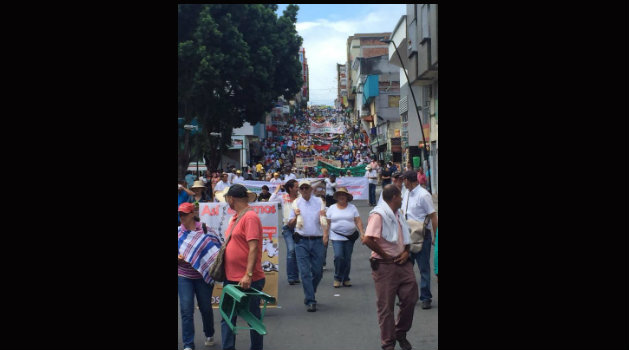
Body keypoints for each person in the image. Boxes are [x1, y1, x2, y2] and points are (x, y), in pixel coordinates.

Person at [363, 185, 417, 350]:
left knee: (411, 298)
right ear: (394, 197)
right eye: (400, 196)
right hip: (385, 265)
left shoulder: (397, 214)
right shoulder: (379, 215)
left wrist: (406, 252)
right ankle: (388, 343)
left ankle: (399, 332)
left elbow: (405, 237)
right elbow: (367, 239)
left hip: (402, 262)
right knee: (386, 307)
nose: (402, 199)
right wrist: (386, 256)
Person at [221, 184, 266, 350]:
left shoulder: (250, 217)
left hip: (247, 279)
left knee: (252, 317)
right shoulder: (237, 217)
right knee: (227, 316)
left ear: (231, 199)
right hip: (231, 277)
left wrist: (248, 274)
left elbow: (253, 247)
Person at [178, 202, 222, 350]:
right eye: (180, 214)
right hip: (184, 275)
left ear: (192, 214)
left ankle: (209, 333)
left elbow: (217, 249)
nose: (182, 217)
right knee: (186, 309)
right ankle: (188, 344)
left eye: (185, 213)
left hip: (203, 276)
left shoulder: (205, 229)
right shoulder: (178, 232)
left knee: (205, 307)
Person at [288, 180, 328, 312]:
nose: (304, 190)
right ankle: (310, 299)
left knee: (318, 271)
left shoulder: (319, 202)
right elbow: (290, 224)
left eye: (306, 188)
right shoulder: (295, 203)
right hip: (301, 241)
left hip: (317, 239)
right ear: (299, 190)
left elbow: (325, 220)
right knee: (305, 272)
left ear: (311, 189)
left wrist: (326, 234)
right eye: (302, 188)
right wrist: (294, 218)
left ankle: (311, 289)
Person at [401, 170, 438, 310]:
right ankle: (408, 297)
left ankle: (426, 297)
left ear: (409, 181)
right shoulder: (406, 193)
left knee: (423, 268)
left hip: (422, 235)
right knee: (406, 268)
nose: (403, 182)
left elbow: (433, 216)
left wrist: (436, 236)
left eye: (404, 179)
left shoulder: (423, 195)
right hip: (407, 235)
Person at [325, 187, 365, 288]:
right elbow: (327, 223)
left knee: (347, 258)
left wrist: (362, 232)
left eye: (343, 195)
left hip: (350, 236)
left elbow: (358, 220)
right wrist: (325, 235)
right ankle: (337, 277)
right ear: (337, 197)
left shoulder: (352, 208)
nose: (342, 197)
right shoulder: (332, 208)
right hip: (336, 236)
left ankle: (346, 278)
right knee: (338, 256)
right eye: (340, 195)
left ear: (347, 197)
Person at [268, 179, 301, 285]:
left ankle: (296, 276)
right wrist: (277, 189)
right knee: (291, 251)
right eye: (296, 186)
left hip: (299, 227)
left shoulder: (300, 199)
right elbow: (270, 201)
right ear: (290, 188)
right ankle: (291, 277)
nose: (298, 188)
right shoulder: (283, 198)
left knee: (297, 252)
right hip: (287, 227)